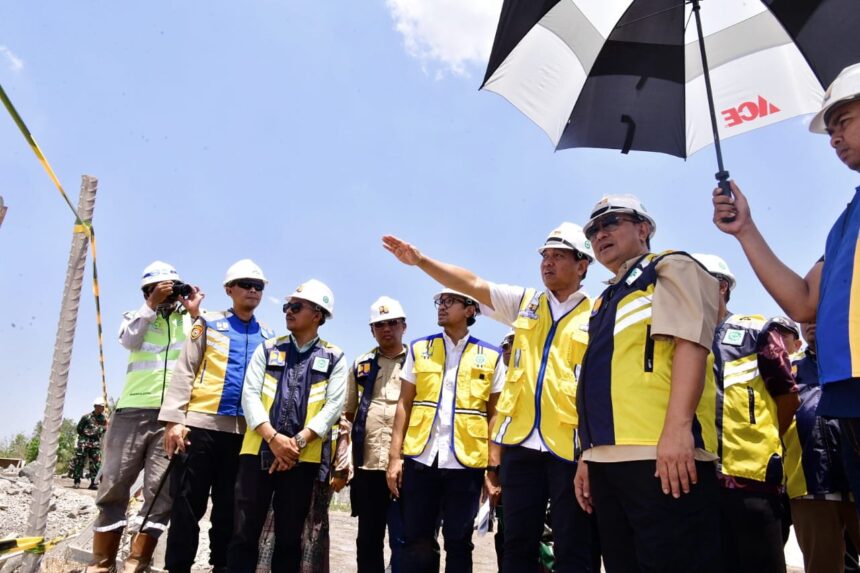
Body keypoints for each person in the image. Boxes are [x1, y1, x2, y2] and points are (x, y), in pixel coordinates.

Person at [382, 223, 600, 573]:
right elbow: (472, 284)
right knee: (516, 543)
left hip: (568, 449)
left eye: (558, 256)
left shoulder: (598, 311)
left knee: (574, 544)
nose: (547, 263)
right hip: (520, 447)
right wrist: (421, 261)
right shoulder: (526, 303)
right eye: (545, 256)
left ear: (582, 265)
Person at [711, 63, 860, 512]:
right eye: (830, 129)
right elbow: (803, 302)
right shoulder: (845, 225)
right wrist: (746, 230)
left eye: (844, 122)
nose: (834, 138)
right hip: (850, 392)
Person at [573, 195, 721, 572]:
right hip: (607, 460)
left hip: (661, 456)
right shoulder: (605, 299)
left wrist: (678, 430)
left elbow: (691, 344)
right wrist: (587, 455)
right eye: (592, 230)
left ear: (643, 228)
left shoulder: (670, 267)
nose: (599, 233)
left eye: (611, 223)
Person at [158, 259, 273, 573]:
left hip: (244, 436)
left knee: (230, 509)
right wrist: (174, 421)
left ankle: (220, 565)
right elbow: (184, 370)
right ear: (229, 289)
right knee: (186, 504)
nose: (252, 290)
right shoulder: (206, 323)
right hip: (200, 428)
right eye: (246, 284)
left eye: (258, 286)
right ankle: (178, 566)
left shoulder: (270, 336)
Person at [87, 261, 201, 573]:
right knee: (113, 483)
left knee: (159, 491)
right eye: (160, 287)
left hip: (172, 417)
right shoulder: (135, 316)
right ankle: (102, 562)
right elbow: (128, 340)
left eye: (172, 287)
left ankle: (137, 562)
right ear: (147, 290)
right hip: (131, 413)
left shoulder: (189, 322)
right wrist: (150, 305)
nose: (168, 293)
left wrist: (194, 312)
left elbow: (206, 345)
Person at [228, 279, 346, 573]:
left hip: (301, 459)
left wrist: (297, 443)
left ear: (318, 314)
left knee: (290, 538)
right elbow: (250, 395)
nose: (288, 311)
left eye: (296, 306)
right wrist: (273, 439)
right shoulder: (268, 349)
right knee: (243, 533)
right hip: (257, 453)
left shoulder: (334, 357)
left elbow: (333, 407)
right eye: (287, 306)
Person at [694, 253, 800, 573]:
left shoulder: (757, 331)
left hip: (752, 481)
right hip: (698, 480)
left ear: (722, 286)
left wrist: (762, 444)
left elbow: (787, 397)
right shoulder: (679, 339)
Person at [385, 288, 503, 573]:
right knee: (418, 539)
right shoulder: (419, 348)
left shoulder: (491, 355)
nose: (442, 306)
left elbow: (496, 413)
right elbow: (404, 403)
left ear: (470, 310)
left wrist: (492, 468)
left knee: (459, 541)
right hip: (421, 458)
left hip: (466, 463)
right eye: (439, 301)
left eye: (450, 301)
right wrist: (394, 458)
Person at [783, 321, 860, 573]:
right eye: (804, 318)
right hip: (810, 485)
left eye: (817, 314)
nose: (811, 323)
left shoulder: (855, 358)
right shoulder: (787, 368)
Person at [339, 296, 408, 573]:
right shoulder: (361, 364)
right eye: (379, 325)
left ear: (404, 326)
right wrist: (344, 460)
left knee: (406, 538)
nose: (386, 329)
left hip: (406, 465)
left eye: (392, 323)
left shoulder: (419, 362)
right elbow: (348, 414)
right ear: (371, 331)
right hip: (367, 466)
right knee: (368, 538)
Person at [71, 396, 108, 490]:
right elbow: (79, 429)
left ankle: (93, 483)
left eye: (103, 406)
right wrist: (85, 437)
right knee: (80, 461)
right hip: (84, 442)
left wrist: (103, 428)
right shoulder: (86, 417)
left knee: (96, 463)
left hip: (95, 443)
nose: (103, 408)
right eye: (101, 406)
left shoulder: (104, 419)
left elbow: (104, 430)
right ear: (96, 406)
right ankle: (77, 481)